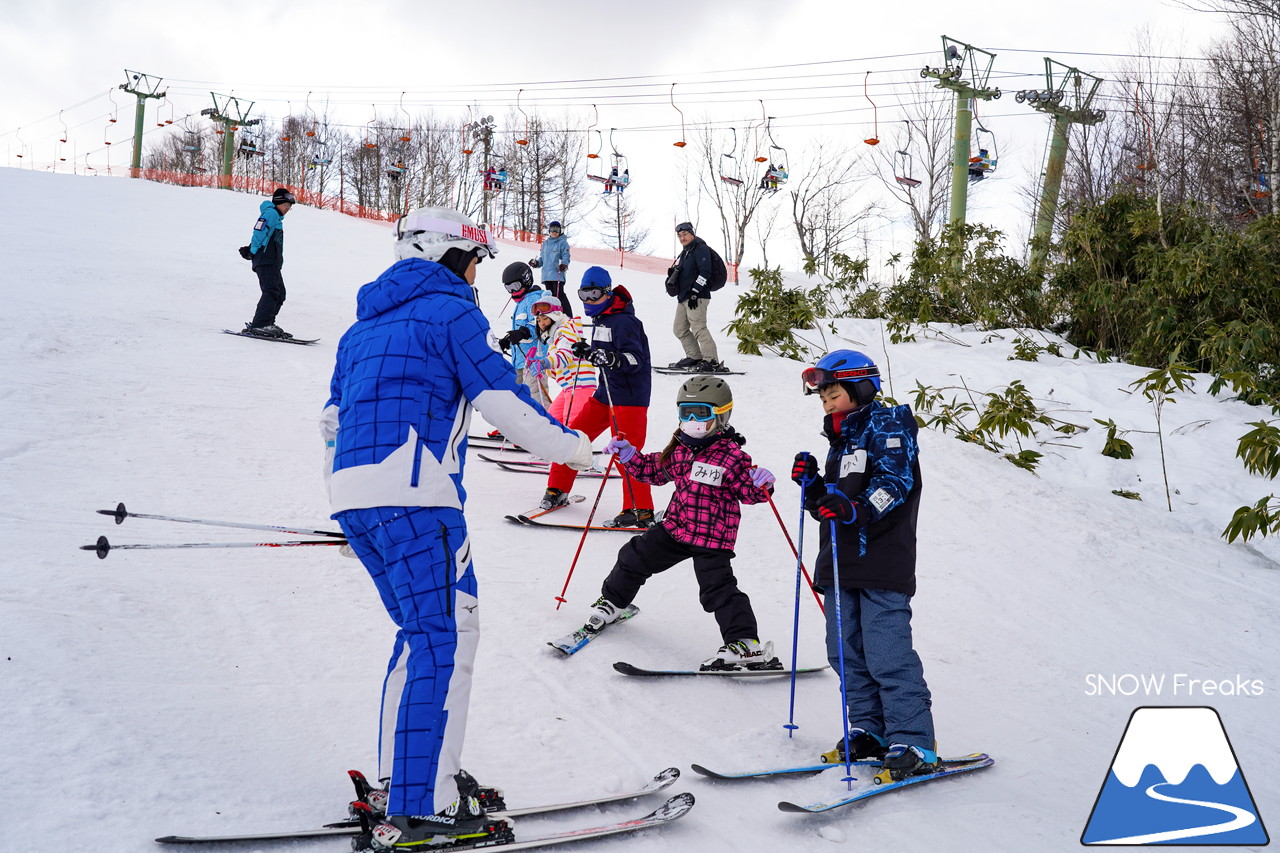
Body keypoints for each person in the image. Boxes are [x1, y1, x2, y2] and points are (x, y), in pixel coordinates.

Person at [320, 206, 594, 850]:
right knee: (443, 639)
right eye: (474, 259)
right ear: (447, 254)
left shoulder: (359, 331)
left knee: (421, 634)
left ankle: (405, 779)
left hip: (356, 497)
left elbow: (331, 422)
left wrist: (357, 501)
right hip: (418, 498)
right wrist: (575, 447)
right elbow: (504, 399)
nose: (476, 273)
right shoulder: (453, 312)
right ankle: (423, 804)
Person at [790, 349, 936, 780]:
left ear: (860, 387)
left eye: (833, 392)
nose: (826, 401)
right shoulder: (842, 440)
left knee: (886, 650)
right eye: (822, 396)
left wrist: (855, 508)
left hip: (881, 562)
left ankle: (914, 740)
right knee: (845, 651)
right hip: (840, 563)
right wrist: (815, 486)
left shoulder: (888, 425)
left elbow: (894, 484)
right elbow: (830, 509)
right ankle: (870, 730)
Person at [586, 375, 780, 669]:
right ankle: (613, 602)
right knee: (633, 556)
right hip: (675, 528)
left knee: (718, 589)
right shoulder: (679, 449)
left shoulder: (732, 457)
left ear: (721, 415)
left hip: (711, 539)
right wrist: (628, 455)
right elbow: (653, 471)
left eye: (700, 413)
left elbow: (749, 492)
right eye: (684, 413)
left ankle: (746, 644)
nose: (691, 420)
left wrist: (761, 484)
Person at [541, 266, 654, 528]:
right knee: (574, 437)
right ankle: (557, 489)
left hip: (629, 399)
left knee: (627, 453)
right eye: (584, 294)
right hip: (605, 395)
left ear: (607, 293)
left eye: (594, 294)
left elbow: (635, 359)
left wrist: (611, 358)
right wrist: (589, 351)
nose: (589, 301)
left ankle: (640, 510)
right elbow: (606, 351)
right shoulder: (603, 318)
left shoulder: (626, 321)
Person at [665, 222, 726, 373]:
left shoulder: (701, 249)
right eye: (679, 235)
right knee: (679, 329)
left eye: (685, 234)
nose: (682, 238)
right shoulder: (685, 252)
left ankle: (711, 361)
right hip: (684, 297)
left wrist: (695, 292)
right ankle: (695, 357)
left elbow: (705, 272)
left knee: (699, 327)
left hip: (697, 297)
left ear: (692, 233)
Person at [526, 299, 597, 426]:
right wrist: (544, 368)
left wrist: (544, 363)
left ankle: (575, 445)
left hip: (579, 384)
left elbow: (565, 355)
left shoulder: (564, 331)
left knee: (572, 423)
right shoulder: (555, 335)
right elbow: (560, 364)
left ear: (555, 316)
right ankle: (551, 444)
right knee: (552, 420)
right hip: (569, 386)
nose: (541, 323)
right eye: (538, 320)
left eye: (545, 318)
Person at [239, 187, 295, 338]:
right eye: (286, 205)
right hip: (265, 260)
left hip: (272, 262)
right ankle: (260, 324)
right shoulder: (270, 213)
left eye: (289, 207)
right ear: (278, 202)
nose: (288, 209)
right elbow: (259, 231)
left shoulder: (276, 217)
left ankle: (267, 322)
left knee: (280, 293)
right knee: (271, 291)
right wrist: (252, 250)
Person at [496, 262, 552, 409]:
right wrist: (508, 341)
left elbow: (539, 324)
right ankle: (518, 427)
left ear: (526, 281)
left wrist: (524, 332)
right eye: (508, 288)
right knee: (517, 396)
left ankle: (543, 424)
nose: (512, 291)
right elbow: (519, 331)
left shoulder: (535, 300)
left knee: (535, 395)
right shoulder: (521, 303)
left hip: (534, 362)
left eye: (514, 286)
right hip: (520, 361)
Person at [529, 221, 572, 316]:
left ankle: (568, 315)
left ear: (560, 231)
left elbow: (566, 256)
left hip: (557, 274)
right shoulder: (546, 243)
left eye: (557, 229)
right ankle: (552, 314)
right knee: (549, 296)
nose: (554, 232)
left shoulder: (563, 242)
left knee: (559, 295)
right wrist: (536, 263)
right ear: (549, 230)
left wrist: (564, 264)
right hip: (546, 275)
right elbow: (543, 259)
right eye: (552, 229)